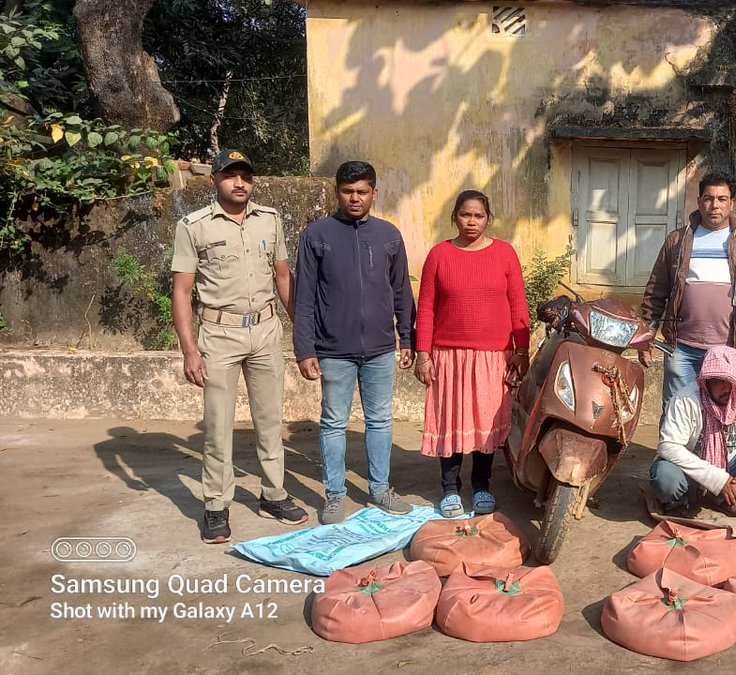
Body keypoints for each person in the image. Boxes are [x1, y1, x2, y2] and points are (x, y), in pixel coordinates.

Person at [170, 149, 308, 544]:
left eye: (245, 176)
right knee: (217, 428)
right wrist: (189, 350)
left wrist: (300, 329)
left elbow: (283, 276)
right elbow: (181, 291)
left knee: (270, 422)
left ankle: (274, 494)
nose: (239, 183)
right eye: (231, 176)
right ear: (214, 180)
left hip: (265, 330)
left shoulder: (271, 220)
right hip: (219, 335)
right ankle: (216, 505)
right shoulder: (194, 226)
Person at [293, 160, 416, 524]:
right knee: (333, 423)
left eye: (362, 191)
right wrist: (305, 348)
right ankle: (334, 495)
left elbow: (401, 291)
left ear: (374, 194)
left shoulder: (389, 236)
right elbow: (305, 298)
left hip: (380, 348)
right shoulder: (317, 234)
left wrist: (406, 336)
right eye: (348, 191)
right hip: (333, 350)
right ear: (337, 193)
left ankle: (379, 489)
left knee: (379, 420)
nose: (355, 198)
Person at [415, 190, 530, 518]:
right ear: (455, 217)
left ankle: (482, 485)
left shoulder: (505, 254)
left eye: (478, 215)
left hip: (493, 356)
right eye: (466, 215)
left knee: (485, 423)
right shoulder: (439, 255)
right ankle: (450, 488)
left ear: (488, 218)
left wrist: (521, 351)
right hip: (448, 355)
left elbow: (518, 304)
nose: (472, 221)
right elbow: (425, 308)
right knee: (451, 419)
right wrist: (424, 354)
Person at [640, 170, 736, 412]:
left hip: (729, 348)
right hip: (681, 348)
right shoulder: (678, 241)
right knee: (676, 411)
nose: (715, 205)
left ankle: (713, 452)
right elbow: (657, 289)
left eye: (722, 199)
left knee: (722, 413)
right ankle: (673, 452)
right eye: (708, 198)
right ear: (699, 201)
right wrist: (646, 332)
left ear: (732, 203)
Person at [649, 346, 736, 517]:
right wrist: (718, 480)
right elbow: (669, 446)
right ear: (706, 380)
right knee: (665, 478)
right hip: (689, 469)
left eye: (732, 381)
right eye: (718, 381)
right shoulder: (685, 399)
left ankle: (727, 498)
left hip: (730, 465)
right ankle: (677, 502)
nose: (727, 388)